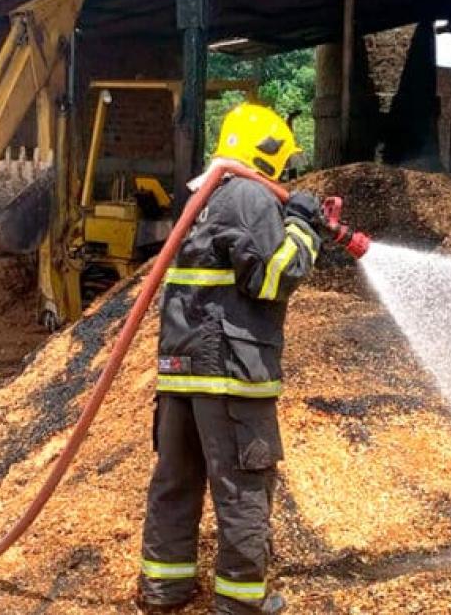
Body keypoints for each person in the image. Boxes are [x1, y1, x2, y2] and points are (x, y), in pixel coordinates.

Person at [138, 103, 320, 615]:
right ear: (268, 153)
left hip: (182, 371)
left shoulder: (205, 195)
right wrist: (303, 226)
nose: (286, 170)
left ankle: (165, 589)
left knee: (176, 483)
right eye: (284, 159)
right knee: (243, 489)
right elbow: (271, 277)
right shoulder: (250, 196)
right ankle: (240, 602)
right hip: (230, 373)